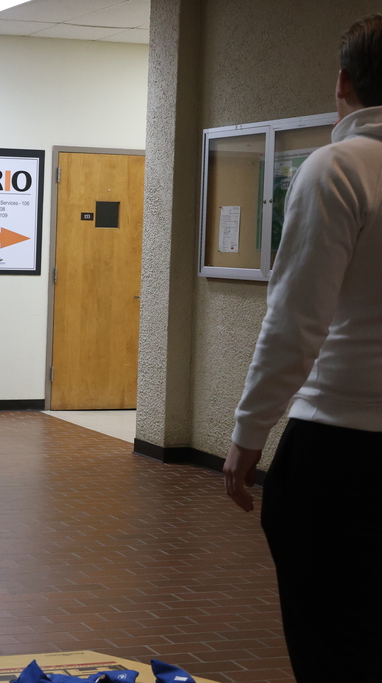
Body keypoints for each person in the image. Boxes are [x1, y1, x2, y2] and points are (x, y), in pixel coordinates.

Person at [224, 14, 382, 682]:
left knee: (334, 643)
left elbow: (295, 323)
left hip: (340, 450)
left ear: (343, 82)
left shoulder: (338, 167)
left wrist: (247, 436)